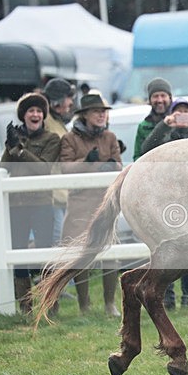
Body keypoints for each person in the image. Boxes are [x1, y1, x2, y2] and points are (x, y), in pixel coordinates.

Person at [136, 92, 188, 309]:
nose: (182, 117)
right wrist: (165, 126)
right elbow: (144, 152)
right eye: (178, 114)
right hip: (166, 197)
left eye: (186, 114)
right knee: (166, 247)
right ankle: (164, 298)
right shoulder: (160, 133)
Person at [59, 93, 122, 317]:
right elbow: (65, 169)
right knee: (79, 253)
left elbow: (118, 164)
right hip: (80, 202)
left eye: (104, 111)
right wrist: (87, 163)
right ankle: (84, 305)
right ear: (85, 115)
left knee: (110, 252)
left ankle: (109, 304)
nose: (102, 115)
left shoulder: (110, 137)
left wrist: (111, 166)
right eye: (97, 111)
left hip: (105, 201)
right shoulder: (69, 139)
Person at [0, 93, 61, 314]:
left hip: (42, 204)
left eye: (38, 111)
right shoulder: (18, 138)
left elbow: (43, 168)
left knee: (46, 254)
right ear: (23, 116)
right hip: (17, 205)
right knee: (18, 254)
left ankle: (50, 304)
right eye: (30, 111)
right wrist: (10, 146)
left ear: (43, 115)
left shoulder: (52, 139)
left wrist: (22, 152)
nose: (35, 114)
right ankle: (25, 307)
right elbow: (4, 167)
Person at [42, 78, 76, 245]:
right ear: (57, 102)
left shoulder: (57, 122)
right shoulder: (46, 122)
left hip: (61, 191)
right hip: (51, 192)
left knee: (61, 239)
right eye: (68, 98)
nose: (70, 103)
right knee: (56, 241)